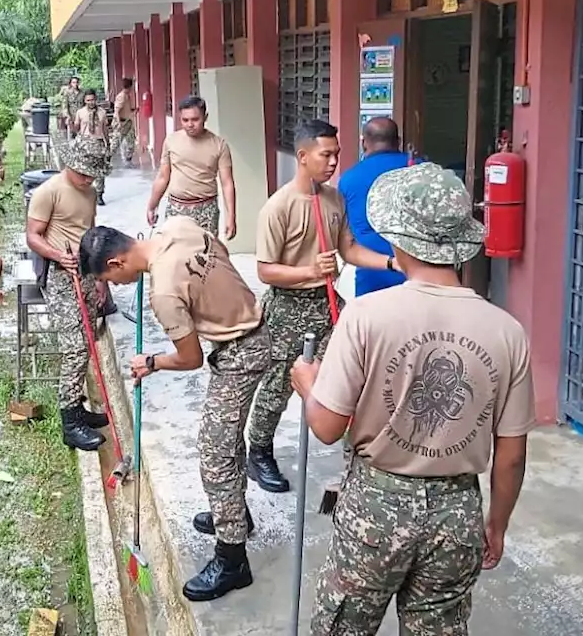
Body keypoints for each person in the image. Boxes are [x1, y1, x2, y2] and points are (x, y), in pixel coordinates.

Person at [289, 162, 535, 636]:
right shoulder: (507, 332)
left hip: (376, 508)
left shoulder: (366, 317)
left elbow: (325, 426)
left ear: (398, 241)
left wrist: (308, 384)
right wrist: (496, 524)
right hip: (458, 509)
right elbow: (512, 456)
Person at [78, 218, 268, 602]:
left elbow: (190, 358)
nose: (116, 286)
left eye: (112, 280)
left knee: (215, 454)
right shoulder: (178, 227)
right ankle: (235, 516)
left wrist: (151, 362)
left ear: (117, 263)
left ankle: (233, 560)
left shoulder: (163, 292)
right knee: (227, 441)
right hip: (250, 327)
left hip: (242, 353)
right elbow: (222, 257)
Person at [246, 119, 398, 494]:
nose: (333, 162)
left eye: (337, 154)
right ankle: (259, 452)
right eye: (325, 154)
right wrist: (309, 270)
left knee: (352, 379)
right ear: (302, 156)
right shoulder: (277, 207)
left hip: (328, 306)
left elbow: (348, 248)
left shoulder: (333, 199)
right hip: (287, 308)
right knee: (278, 386)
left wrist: (393, 262)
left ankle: (357, 459)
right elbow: (266, 271)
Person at [25, 147, 112, 451]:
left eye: (93, 174)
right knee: (74, 348)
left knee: (88, 342)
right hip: (62, 277)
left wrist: (100, 279)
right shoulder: (48, 192)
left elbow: (91, 234)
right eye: (83, 172)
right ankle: (69, 423)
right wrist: (58, 255)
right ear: (69, 164)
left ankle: (78, 409)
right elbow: (33, 236)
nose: (88, 178)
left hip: (87, 273)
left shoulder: (88, 192)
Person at [338, 117, 413, 297]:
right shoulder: (421, 170)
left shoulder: (349, 179)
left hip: (370, 274)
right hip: (417, 273)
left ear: (364, 142)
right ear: (398, 142)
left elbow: (345, 234)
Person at [146, 96, 237, 240]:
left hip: (206, 209)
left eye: (195, 119)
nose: (190, 124)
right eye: (185, 120)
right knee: (174, 255)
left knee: (206, 257)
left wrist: (231, 217)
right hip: (177, 208)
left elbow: (227, 184)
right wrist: (152, 205)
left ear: (205, 117)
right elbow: (163, 177)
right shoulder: (171, 141)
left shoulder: (219, 145)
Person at [74, 89, 112, 206]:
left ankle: (99, 194)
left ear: (96, 99)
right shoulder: (80, 112)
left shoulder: (102, 112)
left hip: (98, 142)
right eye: (88, 100)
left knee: (99, 171)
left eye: (93, 100)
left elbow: (105, 128)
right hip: (85, 143)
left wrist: (108, 143)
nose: (91, 102)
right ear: (85, 101)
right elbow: (76, 127)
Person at [111, 77, 137, 166]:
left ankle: (128, 160)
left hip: (127, 122)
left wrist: (133, 110)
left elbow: (126, 109)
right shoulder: (121, 96)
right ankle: (106, 160)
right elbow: (117, 111)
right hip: (122, 123)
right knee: (115, 143)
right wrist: (118, 123)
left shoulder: (127, 96)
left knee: (131, 142)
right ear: (130, 87)